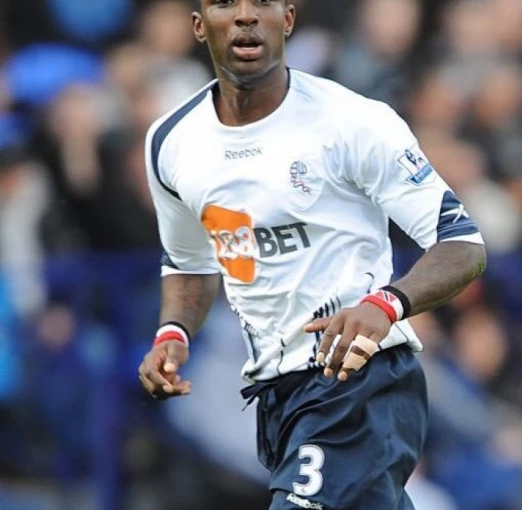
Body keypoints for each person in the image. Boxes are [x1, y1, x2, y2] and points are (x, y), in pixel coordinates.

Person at [137, 1, 487, 509]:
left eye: (262, 2)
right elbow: (189, 261)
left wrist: (385, 304)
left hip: (360, 382)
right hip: (278, 398)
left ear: (288, 19)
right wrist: (173, 333)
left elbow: (463, 244)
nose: (245, 16)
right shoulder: (171, 142)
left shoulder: (353, 121)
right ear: (199, 26)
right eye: (225, 3)